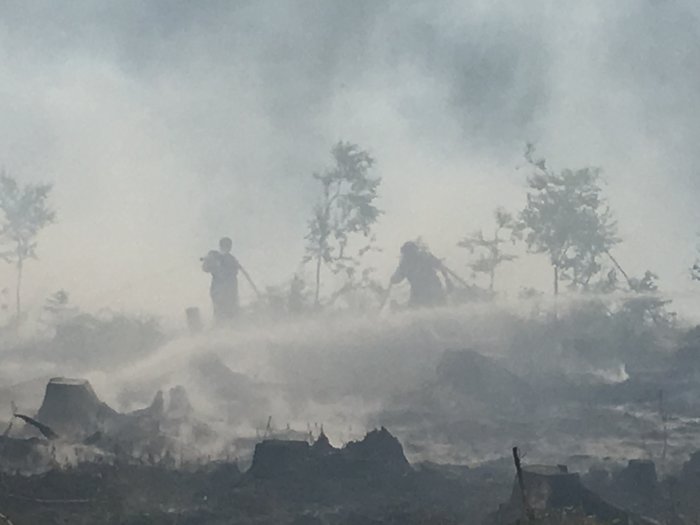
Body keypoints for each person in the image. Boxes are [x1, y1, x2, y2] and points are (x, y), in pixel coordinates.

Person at [202, 237, 258, 325]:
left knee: (229, 311)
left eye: (228, 245)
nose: (227, 247)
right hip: (220, 290)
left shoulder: (231, 259)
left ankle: (226, 328)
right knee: (222, 311)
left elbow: (242, 271)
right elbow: (205, 268)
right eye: (226, 245)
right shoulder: (215, 256)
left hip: (228, 290)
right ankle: (223, 328)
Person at [389, 241, 449, 308]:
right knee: (415, 308)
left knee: (437, 305)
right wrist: (393, 279)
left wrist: (448, 280)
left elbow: (440, 266)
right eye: (407, 253)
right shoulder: (405, 264)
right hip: (419, 292)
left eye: (411, 252)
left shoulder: (425, 257)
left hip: (432, 289)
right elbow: (396, 279)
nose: (409, 255)